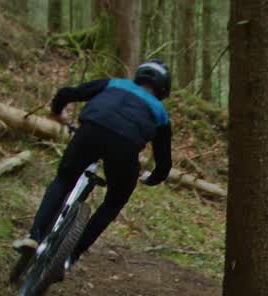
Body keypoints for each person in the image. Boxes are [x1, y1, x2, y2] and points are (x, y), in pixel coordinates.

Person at [15, 60, 173, 278]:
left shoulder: (115, 84)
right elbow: (164, 163)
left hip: (90, 131)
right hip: (124, 148)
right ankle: (71, 255)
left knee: (64, 179)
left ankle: (34, 235)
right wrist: (151, 178)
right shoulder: (160, 112)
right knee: (114, 201)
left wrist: (58, 113)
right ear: (164, 88)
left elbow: (67, 93)